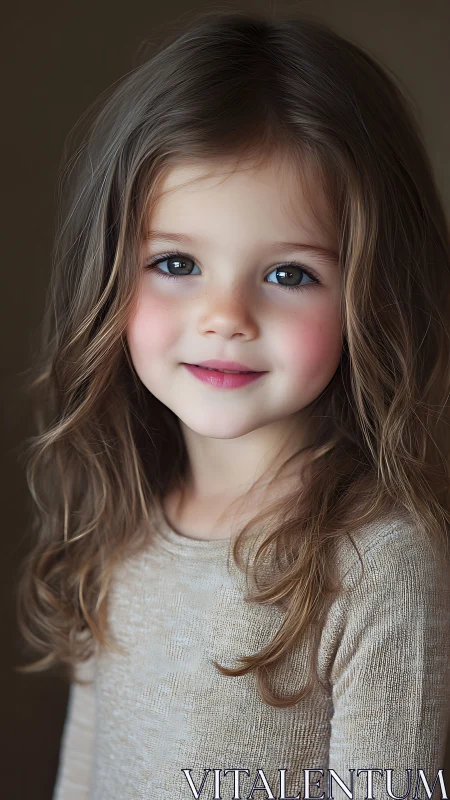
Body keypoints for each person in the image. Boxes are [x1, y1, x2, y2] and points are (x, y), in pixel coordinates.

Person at [15, 9, 450, 800]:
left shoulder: (379, 567)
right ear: (107, 272)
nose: (226, 317)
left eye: (288, 274)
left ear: (372, 296)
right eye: (176, 261)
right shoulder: (119, 513)